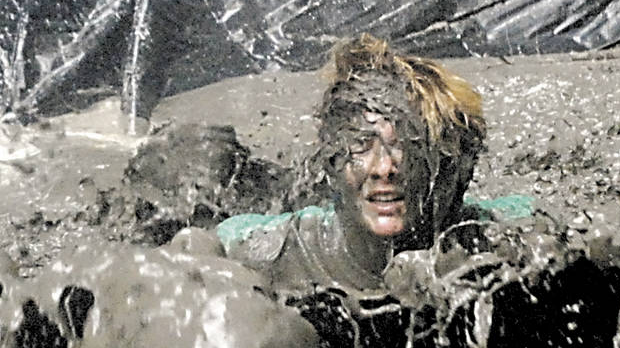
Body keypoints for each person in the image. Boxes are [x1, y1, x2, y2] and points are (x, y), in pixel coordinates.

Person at [217, 35, 530, 291]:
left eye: (406, 147)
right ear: (331, 162)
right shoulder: (273, 250)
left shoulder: (502, 239)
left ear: (454, 166)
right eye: (361, 145)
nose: (383, 169)